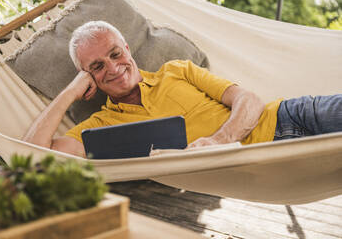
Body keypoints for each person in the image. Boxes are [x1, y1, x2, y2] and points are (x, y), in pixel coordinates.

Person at [23, 21, 342, 158]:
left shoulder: (176, 70)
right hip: (261, 164)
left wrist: (219, 140)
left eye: (115, 54)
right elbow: (31, 154)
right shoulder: (100, 127)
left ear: (127, 49)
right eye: (96, 66)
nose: (112, 67)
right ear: (87, 76)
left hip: (292, 117)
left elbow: (249, 99)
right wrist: (71, 91)